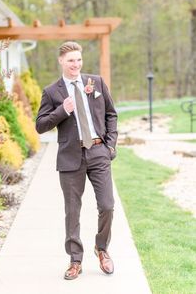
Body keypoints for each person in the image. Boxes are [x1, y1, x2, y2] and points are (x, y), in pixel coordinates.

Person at [35, 41, 118, 280]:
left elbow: (111, 114)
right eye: (71, 60)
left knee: (107, 205)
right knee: (72, 211)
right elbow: (40, 126)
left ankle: (102, 249)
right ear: (61, 61)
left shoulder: (97, 83)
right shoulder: (52, 92)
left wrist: (110, 145)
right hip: (71, 157)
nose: (76, 64)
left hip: (99, 152)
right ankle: (75, 260)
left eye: (79, 60)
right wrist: (63, 110)